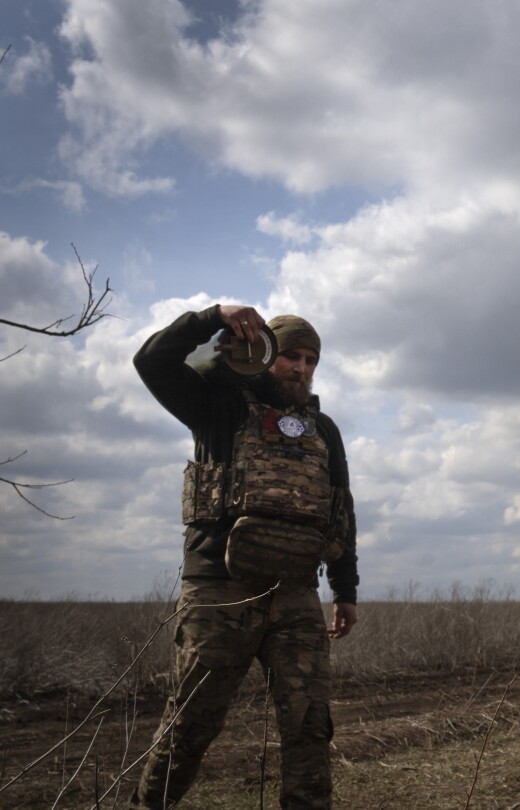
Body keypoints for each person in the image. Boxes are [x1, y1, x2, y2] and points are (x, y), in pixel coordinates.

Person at [130, 304, 358, 810]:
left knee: (309, 725)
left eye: (310, 360)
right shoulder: (218, 404)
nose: (300, 368)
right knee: (191, 723)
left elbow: (340, 508)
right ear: (265, 352)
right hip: (219, 590)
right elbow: (151, 362)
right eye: (291, 355)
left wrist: (345, 590)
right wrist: (214, 316)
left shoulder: (323, 429)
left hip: (296, 592)